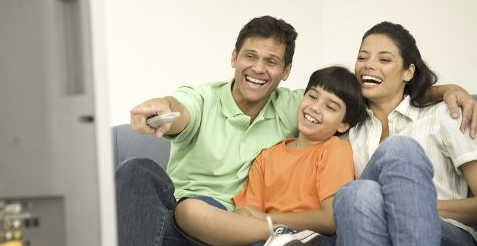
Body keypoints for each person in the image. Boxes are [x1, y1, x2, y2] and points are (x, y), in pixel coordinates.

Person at [117, 15, 477, 246]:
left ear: (286, 71)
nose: (258, 69)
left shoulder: (442, 114)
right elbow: (181, 108)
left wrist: (446, 90)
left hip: (437, 229)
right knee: (356, 197)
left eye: (271, 61)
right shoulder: (207, 97)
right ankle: (285, 236)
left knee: (382, 170)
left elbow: (362, 94)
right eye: (250, 57)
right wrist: (161, 109)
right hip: (212, 219)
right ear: (233, 57)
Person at [173, 66, 367, 245]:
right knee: (188, 210)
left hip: (314, 239)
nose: (315, 107)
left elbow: (329, 219)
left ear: (343, 125)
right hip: (265, 238)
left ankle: (282, 235)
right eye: (312, 96)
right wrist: (262, 225)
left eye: (330, 107)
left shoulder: (335, 150)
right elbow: (246, 212)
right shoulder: (267, 156)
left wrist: (270, 221)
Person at [332, 21, 477, 246]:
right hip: (370, 229)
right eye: (362, 57)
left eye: (384, 59)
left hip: (447, 232)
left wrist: (410, 203)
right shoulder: (345, 133)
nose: (368, 65)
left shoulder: (445, 114)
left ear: (408, 72)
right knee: (355, 194)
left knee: (400, 148)